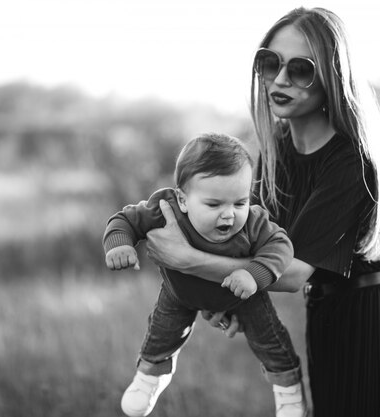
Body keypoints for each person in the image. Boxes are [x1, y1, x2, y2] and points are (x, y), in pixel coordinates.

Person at [143, 7, 380, 417]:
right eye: (270, 63)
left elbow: (291, 272)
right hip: (325, 317)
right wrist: (219, 299)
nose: (279, 80)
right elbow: (245, 246)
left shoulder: (351, 160)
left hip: (372, 322)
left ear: (332, 77)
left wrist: (185, 259)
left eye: (300, 70)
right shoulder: (277, 151)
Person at [103, 133, 306, 417]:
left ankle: (288, 390)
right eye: (214, 205)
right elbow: (125, 219)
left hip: (243, 294)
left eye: (239, 203)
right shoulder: (166, 209)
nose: (229, 215)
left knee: (270, 340)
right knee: (162, 333)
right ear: (183, 200)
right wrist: (119, 243)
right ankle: (149, 377)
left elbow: (281, 246)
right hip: (180, 294)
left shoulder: (255, 222)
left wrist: (253, 274)